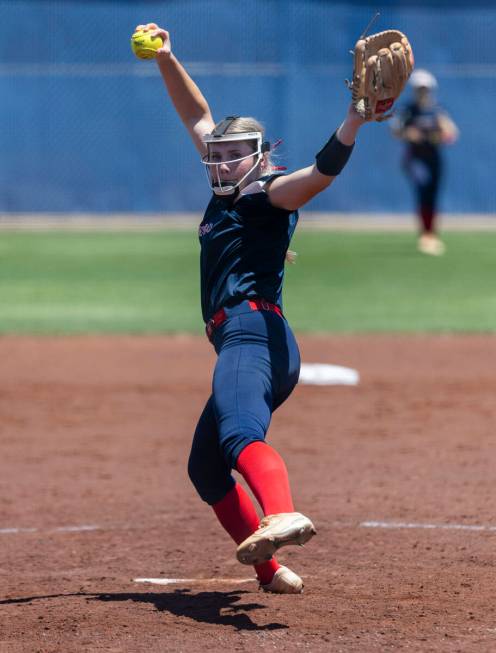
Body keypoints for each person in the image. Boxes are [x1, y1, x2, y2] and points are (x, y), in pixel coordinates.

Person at [137, 22, 368, 594]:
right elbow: (196, 115)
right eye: (217, 155)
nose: (220, 162)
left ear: (261, 158)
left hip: (251, 334)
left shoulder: (267, 192)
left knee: (239, 436)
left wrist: (355, 119)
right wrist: (168, 56)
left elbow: (320, 175)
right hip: (252, 340)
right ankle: (272, 569)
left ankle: (284, 513)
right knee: (206, 468)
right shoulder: (229, 191)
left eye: (234, 155)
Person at [391, 69, 459, 256]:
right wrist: (409, 134)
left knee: (433, 195)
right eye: (419, 89)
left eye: (425, 89)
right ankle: (426, 235)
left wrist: (444, 135)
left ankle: (431, 234)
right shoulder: (408, 111)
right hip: (415, 160)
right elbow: (396, 131)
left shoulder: (437, 110)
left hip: (434, 159)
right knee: (423, 192)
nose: (422, 92)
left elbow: (451, 132)